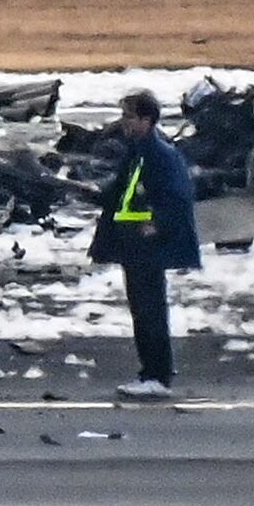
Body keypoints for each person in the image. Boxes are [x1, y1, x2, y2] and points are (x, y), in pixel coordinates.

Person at [92, 90, 200, 400]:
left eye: (129, 116)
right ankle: (150, 371)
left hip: (148, 246)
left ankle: (157, 374)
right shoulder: (136, 153)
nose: (124, 123)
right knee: (141, 310)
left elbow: (177, 199)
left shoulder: (161, 155)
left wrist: (155, 226)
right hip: (132, 244)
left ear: (146, 120)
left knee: (151, 310)